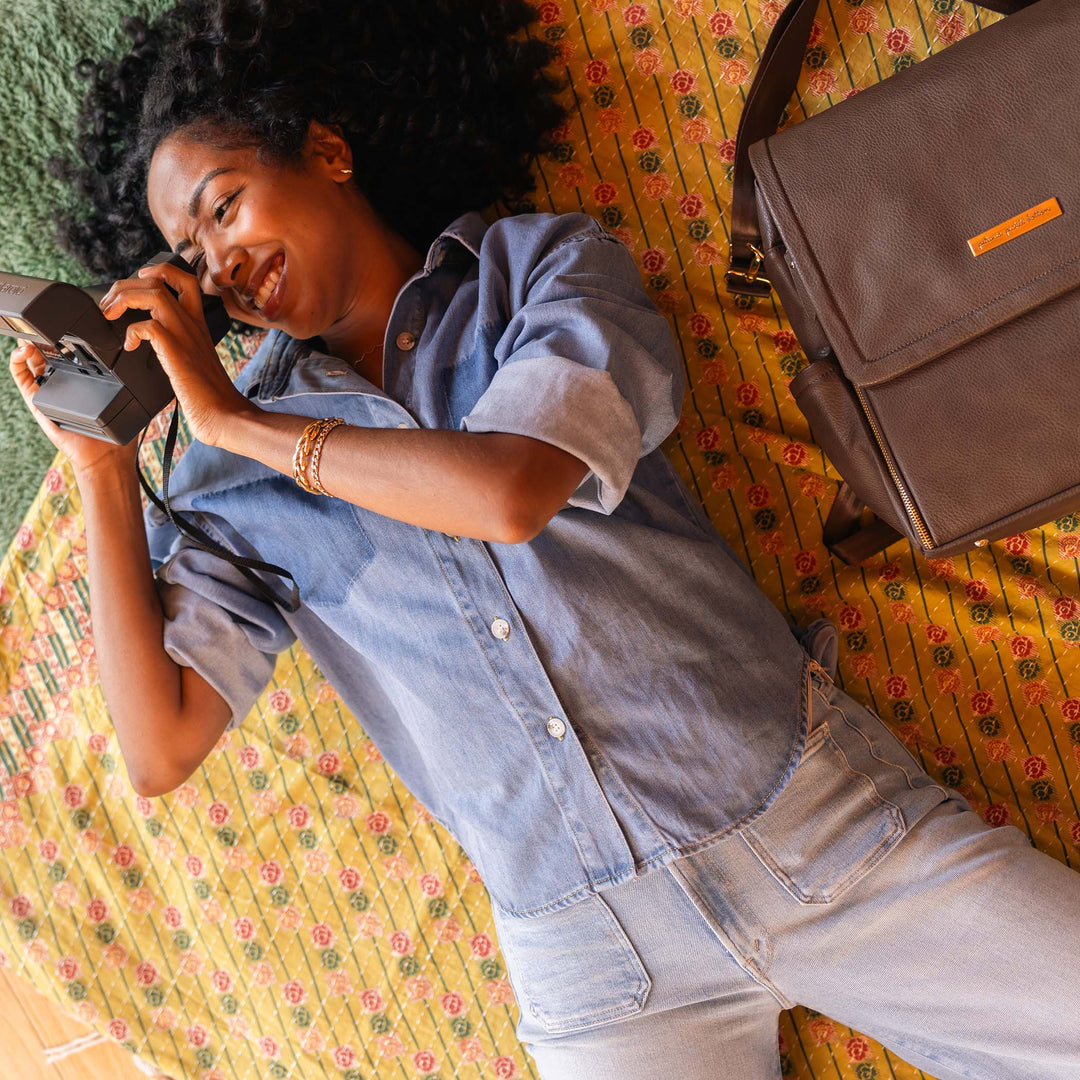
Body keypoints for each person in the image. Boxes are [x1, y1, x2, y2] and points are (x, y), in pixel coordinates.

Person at [9, 2, 1080, 1078]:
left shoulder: (540, 271)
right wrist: (102, 472)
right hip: (596, 961)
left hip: (817, 831)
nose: (222, 267)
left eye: (224, 209)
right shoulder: (225, 482)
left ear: (326, 151)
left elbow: (514, 491)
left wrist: (243, 419)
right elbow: (159, 749)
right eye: (191, 259)